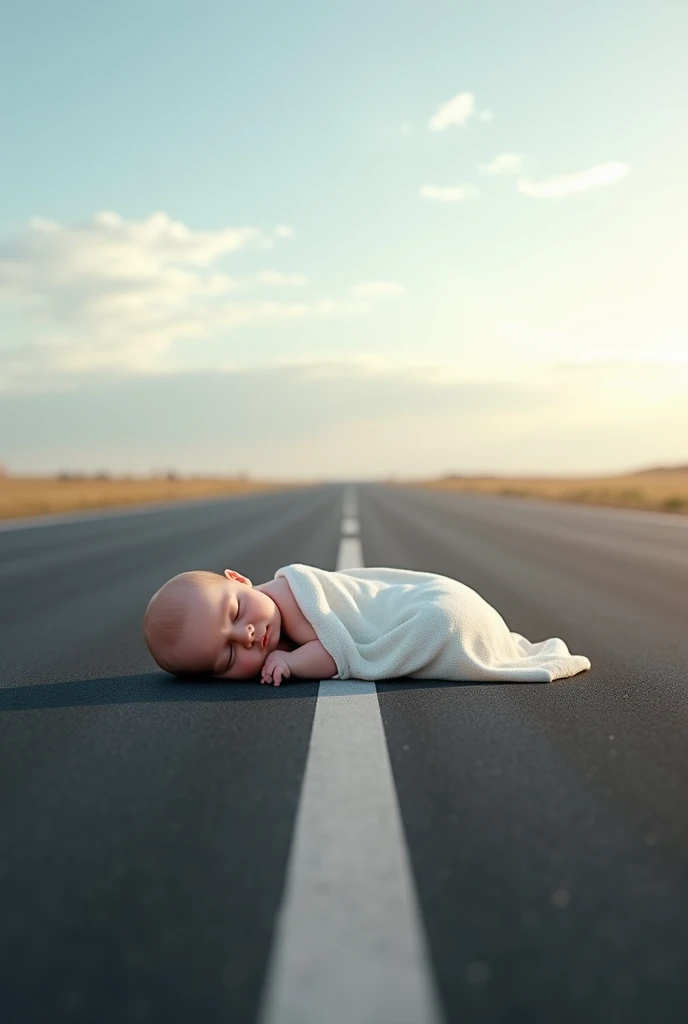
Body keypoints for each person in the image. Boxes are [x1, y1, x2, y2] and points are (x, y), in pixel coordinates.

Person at [143, 568, 337, 686]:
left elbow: (336, 649)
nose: (246, 636)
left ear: (239, 580)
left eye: (236, 612)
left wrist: (292, 662)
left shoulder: (292, 596)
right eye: (230, 655)